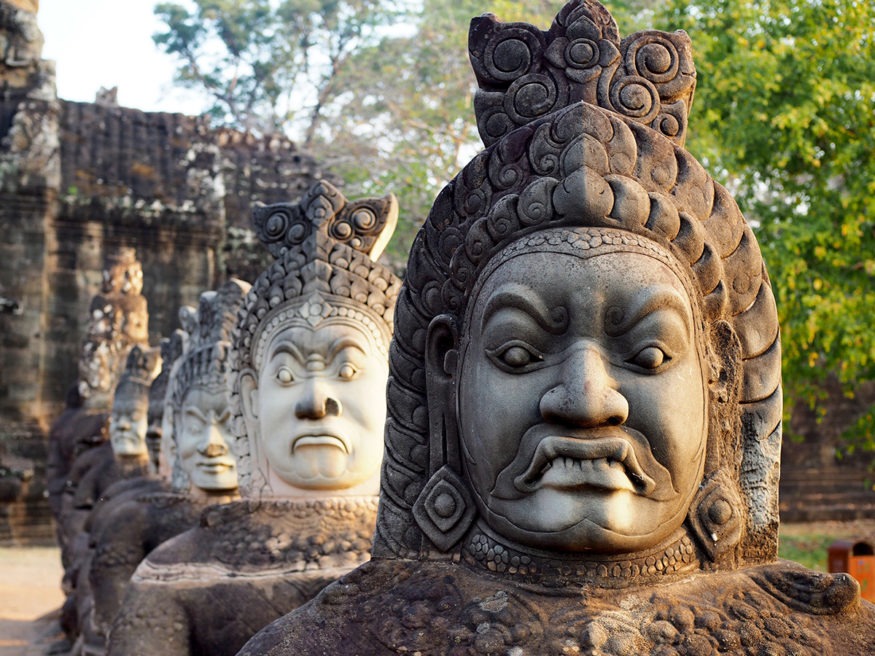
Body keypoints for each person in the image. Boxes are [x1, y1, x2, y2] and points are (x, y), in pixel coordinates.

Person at [238, 2, 875, 654]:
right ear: (442, 372)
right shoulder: (326, 642)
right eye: (518, 351)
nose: (585, 401)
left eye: (650, 353)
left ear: (720, 374)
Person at [108, 180, 402, 656]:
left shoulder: (459, 569)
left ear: (402, 389)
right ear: (247, 400)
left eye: (346, 369)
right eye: (285, 374)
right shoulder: (176, 571)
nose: (314, 401)